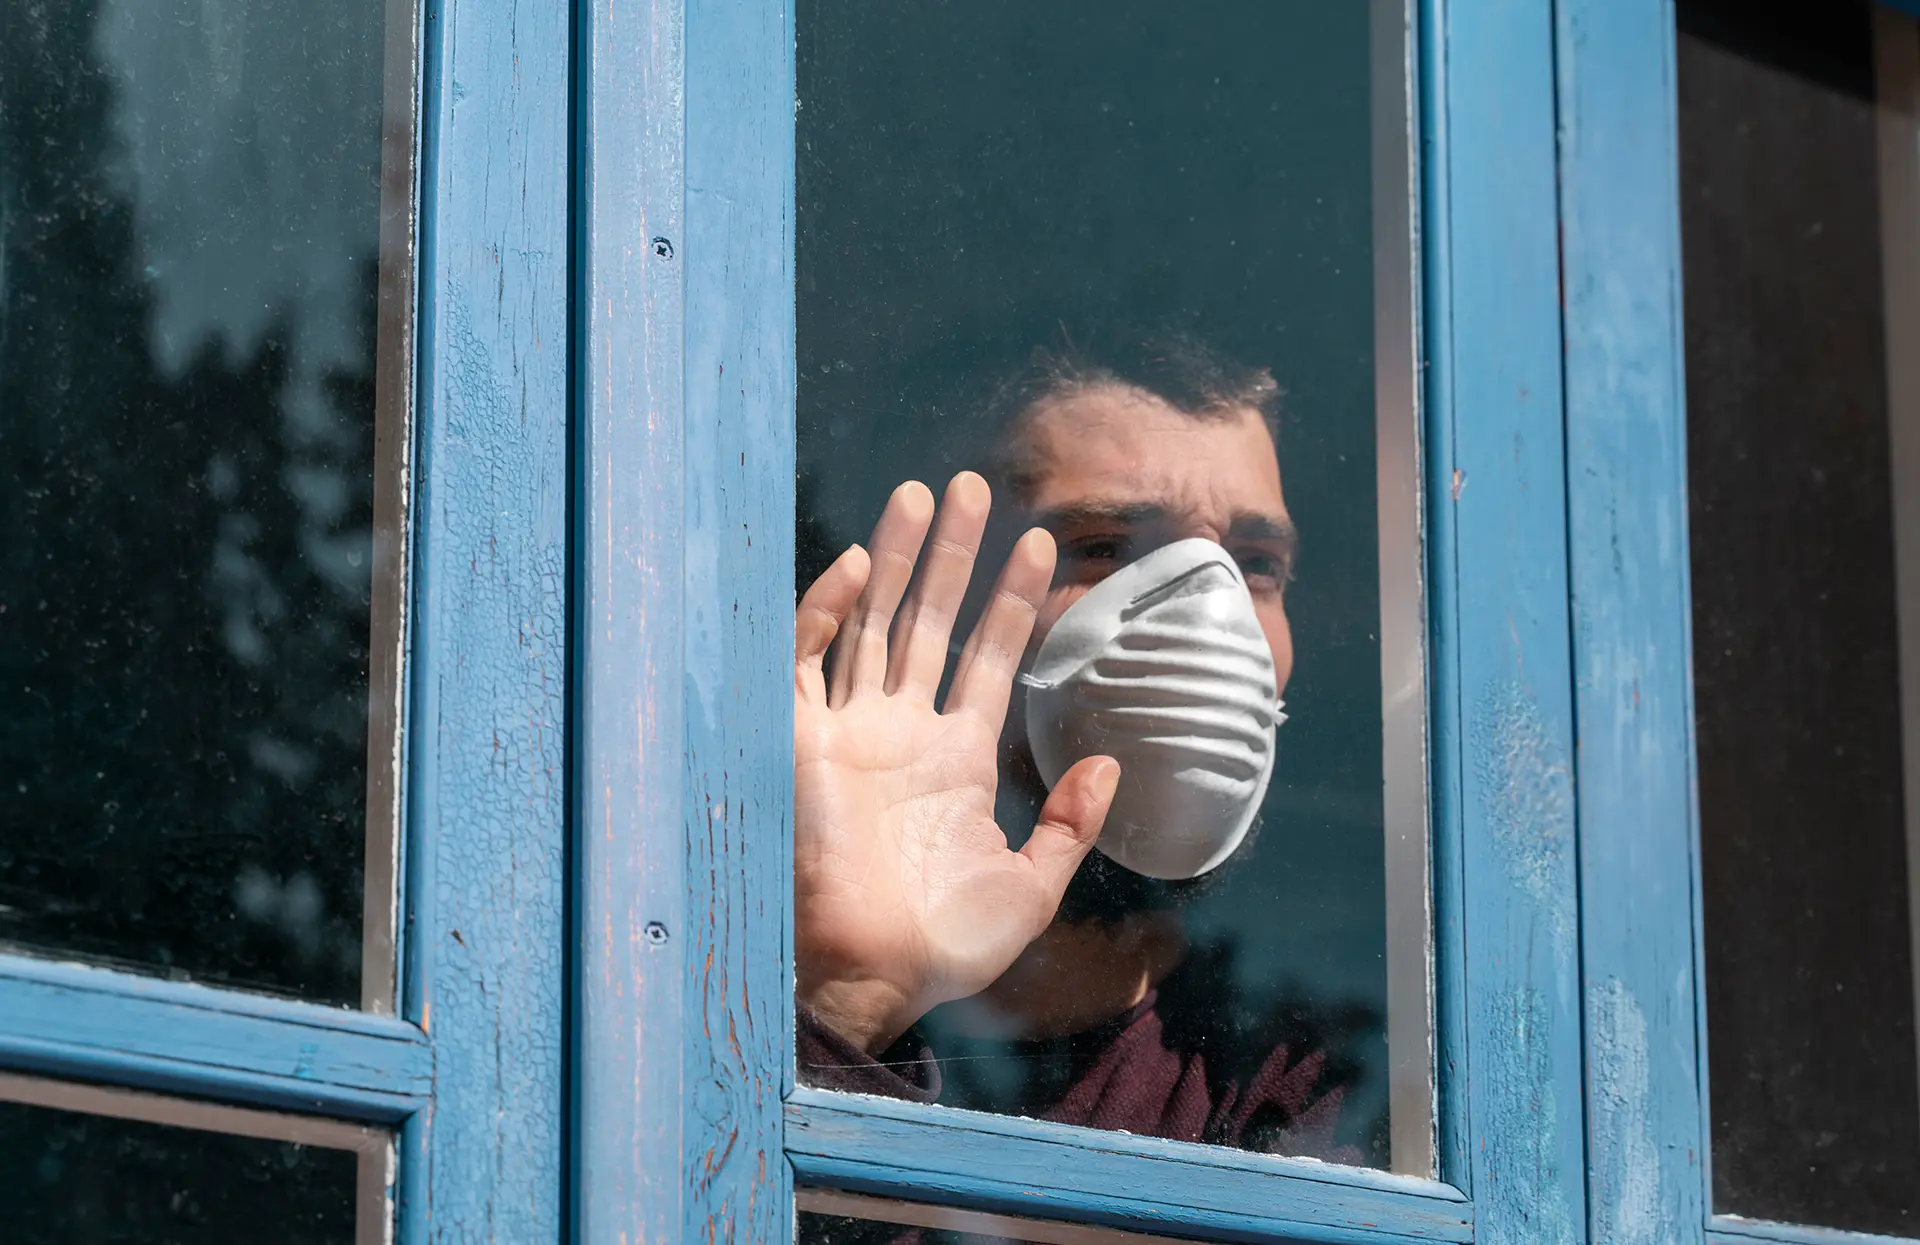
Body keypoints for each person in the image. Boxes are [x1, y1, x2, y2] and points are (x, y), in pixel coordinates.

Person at [793, 333, 1354, 1160]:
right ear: (944, 605)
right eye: (1102, 548)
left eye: (1257, 564)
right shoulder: (707, 976)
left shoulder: (1293, 1086)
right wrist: (843, 1012)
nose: (1211, 624)